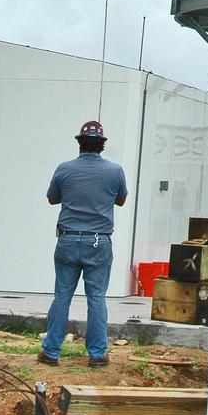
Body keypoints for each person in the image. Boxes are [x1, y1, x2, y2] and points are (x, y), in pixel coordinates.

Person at [39, 120, 128, 367]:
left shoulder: (64, 169)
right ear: (101, 145)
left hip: (68, 239)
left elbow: (52, 199)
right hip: (98, 241)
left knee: (62, 297)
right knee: (96, 298)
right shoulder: (115, 171)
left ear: (79, 143)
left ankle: (51, 352)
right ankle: (97, 355)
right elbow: (120, 201)